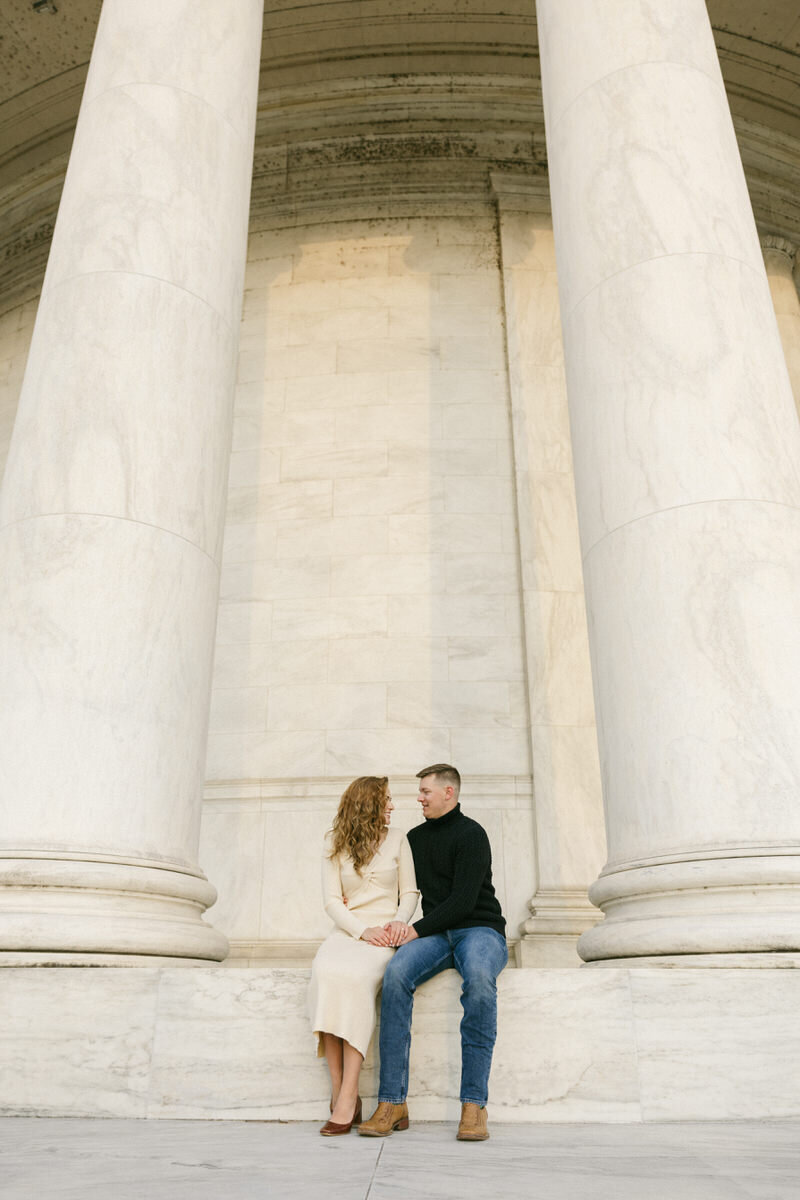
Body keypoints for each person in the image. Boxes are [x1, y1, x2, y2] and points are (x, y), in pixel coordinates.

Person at [358, 763, 507, 1142]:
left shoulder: (473, 834)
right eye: (419, 791)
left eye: (425, 791)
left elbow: (463, 900)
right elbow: (401, 887)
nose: (419, 798)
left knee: (477, 979)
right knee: (395, 975)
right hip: (438, 934)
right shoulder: (414, 838)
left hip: (479, 929)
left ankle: (473, 1105)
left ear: (448, 793)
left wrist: (415, 930)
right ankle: (392, 1102)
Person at [307, 775, 419, 1136]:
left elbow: (410, 893)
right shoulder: (335, 843)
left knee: (355, 981)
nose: (392, 805)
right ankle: (340, 1091)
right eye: (386, 799)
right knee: (326, 973)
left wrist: (396, 926)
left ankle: (349, 1092)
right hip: (350, 931)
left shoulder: (400, 839)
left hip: (385, 934)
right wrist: (360, 930)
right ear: (367, 805)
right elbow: (329, 900)